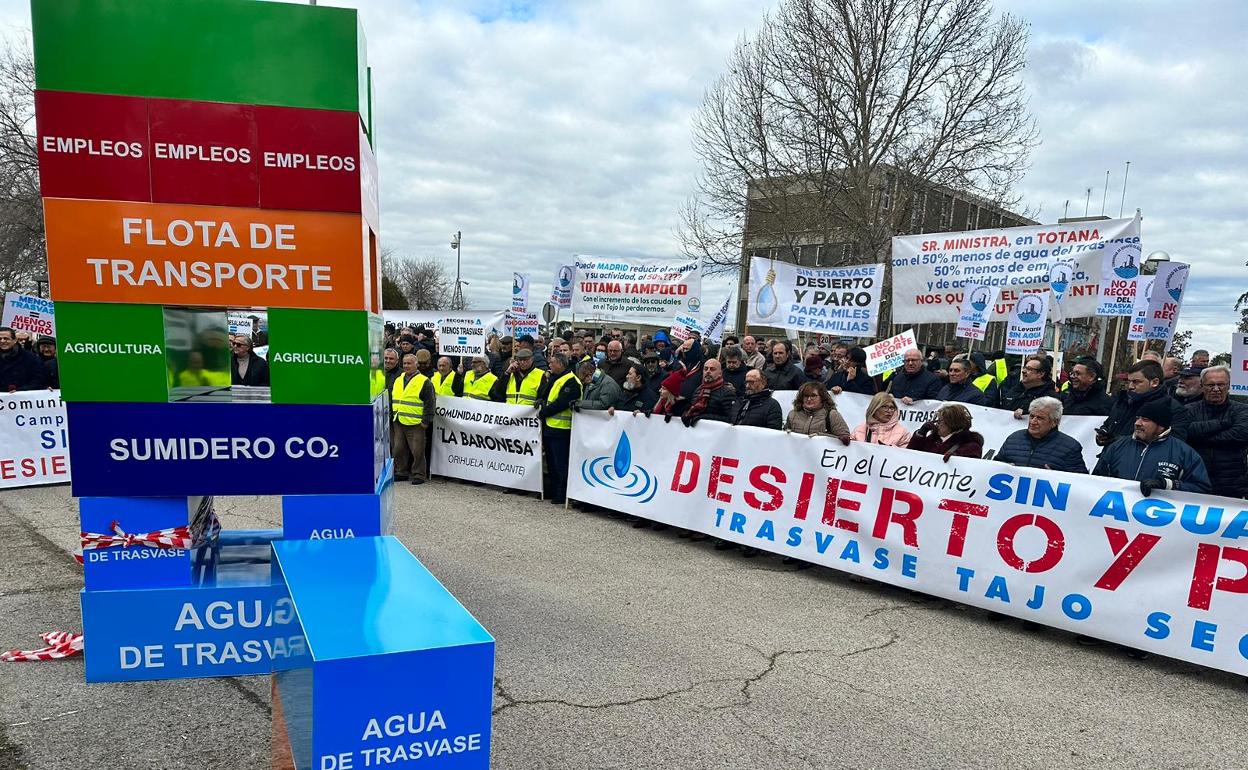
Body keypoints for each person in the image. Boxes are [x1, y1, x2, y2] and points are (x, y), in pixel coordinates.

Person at [1092, 400, 1211, 495]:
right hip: (1116, 515)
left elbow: (1201, 488)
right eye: (1137, 418)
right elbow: (1095, 481)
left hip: (1156, 520)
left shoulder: (1183, 452)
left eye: (1145, 419)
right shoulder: (1117, 446)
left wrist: (1167, 484)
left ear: (1161, 426)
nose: (1137, 423)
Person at [1183, 365, 1248, 498]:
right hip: (1195, 479)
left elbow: (1239, 436)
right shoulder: (1188, 410)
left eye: (1221, 384)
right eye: (1210, 385)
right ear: (1202, 386)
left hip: (1232, 483)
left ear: (1229, 385)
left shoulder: (1242, 410)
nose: (1216, 389)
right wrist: (1221, 424)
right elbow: (1185, 432)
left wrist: (1200, 438)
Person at [1097, 360, 1191, 445]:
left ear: (1154, 382)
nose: (1130, 386)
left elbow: (1173, 444)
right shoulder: (1123, 401)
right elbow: (1109, 423)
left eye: (1136, 382)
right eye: (1129, 381)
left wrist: (1120, 442)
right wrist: (1103, 433)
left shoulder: (1173, 409)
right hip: (1109, 459)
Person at [993, 397, 1087, 473]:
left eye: (1040, 418)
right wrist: (1005, 468)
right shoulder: (1013, 439)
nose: (1033, 422)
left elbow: (1080, 483)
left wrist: (1057, 478)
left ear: (1055, 422)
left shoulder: (1070, 447)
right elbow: (994, 466)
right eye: (1032, 416)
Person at [537, 352, 581, 504]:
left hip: (563, 429)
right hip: (550, 427)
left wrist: (543, 412)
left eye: (552, 362)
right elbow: (546, 395)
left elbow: (561, 403)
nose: (549, 365)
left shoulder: (571, 381)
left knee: (560, 463)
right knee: (551, 462)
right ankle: (554, 490)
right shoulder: (555, 378)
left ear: (561, 364)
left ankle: (562, 493)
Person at [391, 352, 435, 484]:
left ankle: (419, 474)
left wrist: (425, 421)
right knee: (398, 449)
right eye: (404, 363)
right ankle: (401, 471)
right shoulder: (399, 379)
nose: (406, 366)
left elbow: (430, 402)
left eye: (409, 363)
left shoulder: (424, 381)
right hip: (399, 420)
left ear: (416, 364)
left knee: (418, 451)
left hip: (416, 423)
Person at [907, 404, 984, 460]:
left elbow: (969, 470)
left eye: (940, 421)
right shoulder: (932, 439)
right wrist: (920, 434)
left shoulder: (971, 447)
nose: (936, 424)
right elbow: (910, 457)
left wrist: (955, 459)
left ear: (952, 423)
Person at [785, 381, 850, 442]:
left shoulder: (832, 414)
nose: (809, 399)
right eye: (806, 396)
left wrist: (820, 437)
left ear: (822, 397)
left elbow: (845, 439)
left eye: (813, 396)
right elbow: (783, 436)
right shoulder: (793, 414)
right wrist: (786, 434)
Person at [681, 358, 736, 426]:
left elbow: (730, 418)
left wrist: (704, 417)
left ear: (720, 373)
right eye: (705, 369)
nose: (708, 371)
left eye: (712, 369)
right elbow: (691, 408)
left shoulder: (727, 392)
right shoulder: (698, 390)